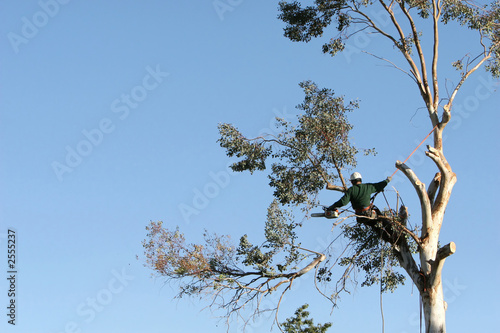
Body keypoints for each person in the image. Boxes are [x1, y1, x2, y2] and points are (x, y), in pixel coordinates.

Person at [327, 172, 392, 221]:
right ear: (360, 180)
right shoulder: (368, 187)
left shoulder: (351, 190)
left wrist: (333, 206)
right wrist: (387, 180)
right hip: (369, 214)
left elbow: (343, 202)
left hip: (360, 216)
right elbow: (379, 186)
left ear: (353, 181)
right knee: (379, 215)